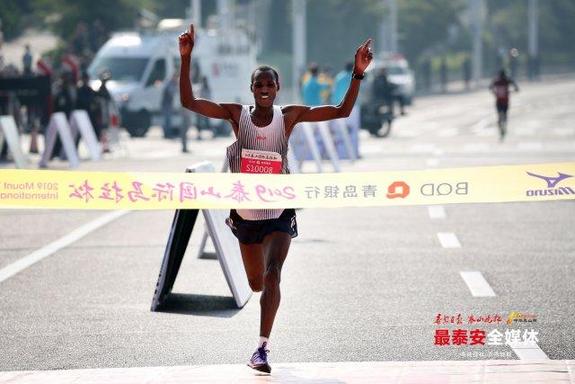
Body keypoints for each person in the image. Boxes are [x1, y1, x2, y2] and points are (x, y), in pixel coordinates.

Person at [179, 24, 373, 374]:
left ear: (278, 88)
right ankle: (261, 325)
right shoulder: (237, 116)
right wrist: (186, 58)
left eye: (270, 84)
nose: (265, 89)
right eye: (259, 85)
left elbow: (341, 111)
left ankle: (262, 349)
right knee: (256, 282)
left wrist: (357, 74)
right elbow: (189, 102)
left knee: (273, 275)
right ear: (251, 89)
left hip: (279, 212)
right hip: (245, 215)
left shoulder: (290, 116)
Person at [489, 69, 519, 140]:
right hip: (505, 101)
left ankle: (501, 127)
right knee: (504, 115)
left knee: (500, 115)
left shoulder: (496, 80)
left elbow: (490, 87)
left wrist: (494, 92)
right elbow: (516, 87)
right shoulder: (507, 80)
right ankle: (503, 126)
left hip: (499, 101)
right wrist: (514, 90)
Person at [161, 73, 178, 139]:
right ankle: (167, 134)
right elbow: (172, 92)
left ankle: (167, 134)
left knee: (167, 120)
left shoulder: (170, 83)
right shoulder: (170, 84)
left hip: (168, 104)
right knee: (167, 120)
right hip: (166, 104)